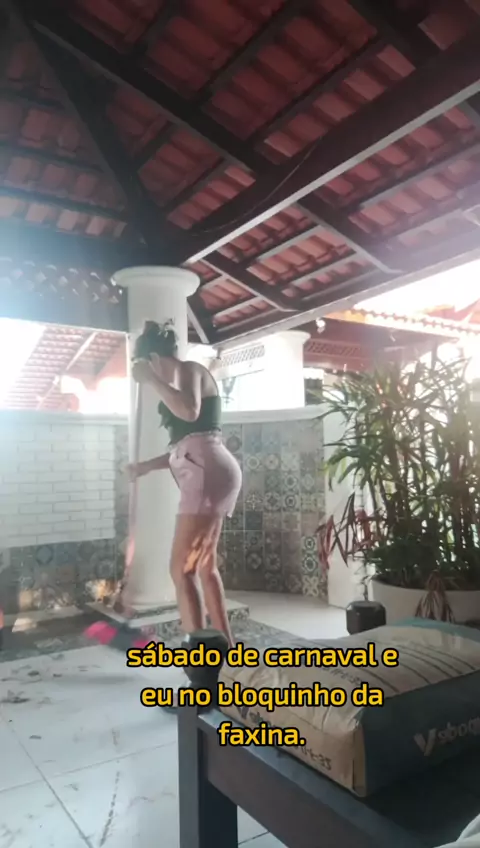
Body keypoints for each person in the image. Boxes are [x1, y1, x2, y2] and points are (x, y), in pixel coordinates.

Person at [127, 320, 242, 651]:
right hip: (210, 471)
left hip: (206, 476)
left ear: (153, 359)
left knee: (182, 570)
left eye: (147, 367)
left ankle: (202, 661)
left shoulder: (188, 370)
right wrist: (144, 467)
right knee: (205, 568)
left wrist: (151, 380)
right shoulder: (179, 382)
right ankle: (226, 650)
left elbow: (190, 412)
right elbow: (185, 448)